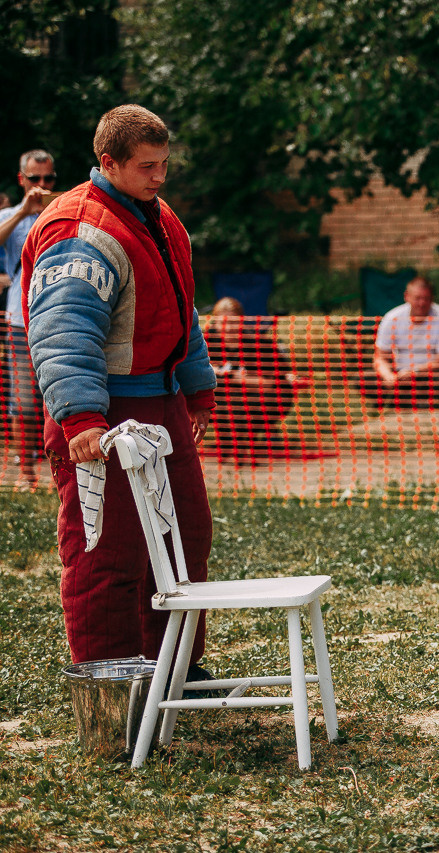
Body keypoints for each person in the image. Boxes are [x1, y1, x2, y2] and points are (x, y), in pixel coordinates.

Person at [21, 105, 219, 677]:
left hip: (161, 402)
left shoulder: (157, 216)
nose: (160, 177)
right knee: (108, 549)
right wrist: (82, 419)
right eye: (147, 166)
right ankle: (110, 679)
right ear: (108, 162)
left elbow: (184, 312)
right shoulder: (78, 230)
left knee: (185, 534)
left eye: (164, 164)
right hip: (105, 411)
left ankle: (176, 669)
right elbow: (63, 330)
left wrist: (196, 389)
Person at [0, 150, 57, 489]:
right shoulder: (9, 214)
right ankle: (26, 474)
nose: (41, 185)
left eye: (48, 179)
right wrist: (24, 210)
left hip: (60, 319)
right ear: (22, 180)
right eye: (34, 179)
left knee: (64, 397)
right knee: (23, 399)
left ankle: (62, 471)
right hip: (21, 322)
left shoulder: (61, 210)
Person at [203, 297, 304, 459]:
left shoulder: (259, 344)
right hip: (219, 401)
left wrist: (235, 377)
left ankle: (250, 439)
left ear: (242, 321)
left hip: (256, 399)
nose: (228, 328)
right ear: (215, 323)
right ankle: (228, 440)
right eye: (223, 322)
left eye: (233, 322)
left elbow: (275, 379)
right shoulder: (203, 343)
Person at [362, 275, 439, 408]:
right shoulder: (392, 317)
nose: (422, 303)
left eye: (426, 298)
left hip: (429, 374)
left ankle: (405, 400)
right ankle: (406, 399)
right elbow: (379, 356)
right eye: (418, 298)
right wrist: (387, 375)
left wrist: (415, 371)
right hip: (399, 374)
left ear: (432, 299)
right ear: (407, 296)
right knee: (363, 379)